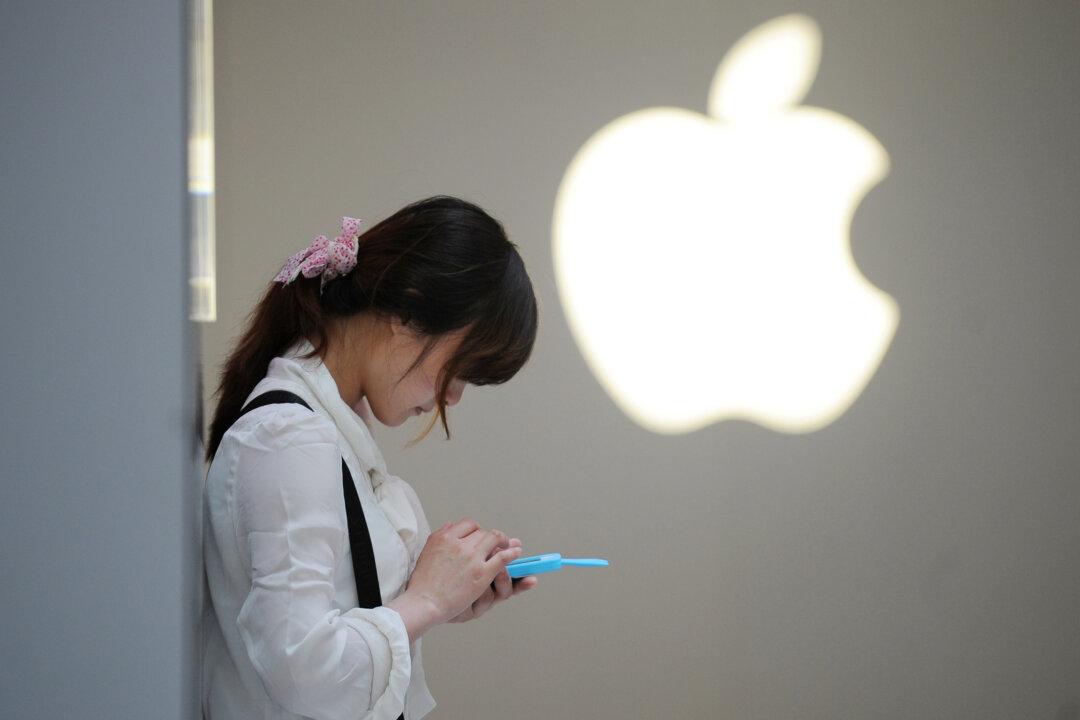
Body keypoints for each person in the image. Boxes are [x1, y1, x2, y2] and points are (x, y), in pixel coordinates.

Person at [202, 196, 539, 720]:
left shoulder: (325, 427)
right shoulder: (291, 437)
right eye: (463, 369)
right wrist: (423, 601)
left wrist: (443, 595)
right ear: (406, 310)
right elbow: (304, 675)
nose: (454, 398)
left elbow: (328, 611)